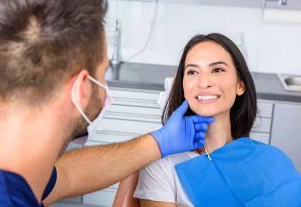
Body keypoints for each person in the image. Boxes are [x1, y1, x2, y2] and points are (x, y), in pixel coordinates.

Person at [0, 0, 214, 207]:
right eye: (102, 73)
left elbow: (65, 175)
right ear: (81, 89)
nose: (105, 88)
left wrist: (158, 143)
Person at [118, 33, 300, 206]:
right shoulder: (162, 163)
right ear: (183, 86)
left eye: (217, 70)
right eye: (192, 72)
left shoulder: (272, 159)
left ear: (240, 85)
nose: (204, 82)